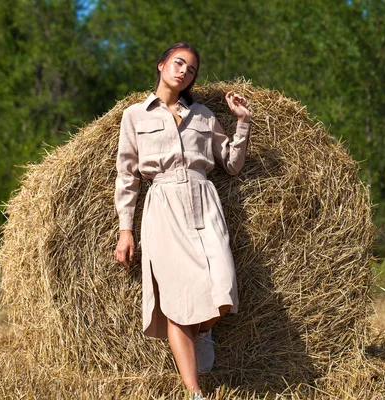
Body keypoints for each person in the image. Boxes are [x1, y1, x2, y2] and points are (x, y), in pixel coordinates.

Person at [113, 42, 251, 400]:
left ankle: (205, 333)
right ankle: (194, 393)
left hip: (204, 201)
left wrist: (243, 122)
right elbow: (127, 176)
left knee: (223, 281)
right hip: (163, 205)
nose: (183, 72)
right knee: (174, 301)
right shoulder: (135, 116)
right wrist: (125, 230)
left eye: (191, 70)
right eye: (178, 64)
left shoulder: (204, 115)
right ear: (161, 65)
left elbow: (231, 165)